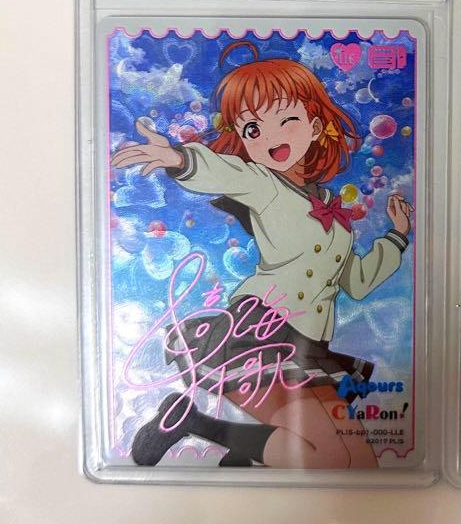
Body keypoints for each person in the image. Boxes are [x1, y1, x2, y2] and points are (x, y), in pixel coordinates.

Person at [111, 42, 413, 468]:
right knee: (335, 460)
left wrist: (397, 237)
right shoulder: (264, 185)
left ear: (315, 126)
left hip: (310, 345)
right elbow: (225, 172)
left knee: (359, 463)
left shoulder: (335, 216)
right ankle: (203, 428)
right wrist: (178, 158)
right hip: (262, 331)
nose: (270, 139)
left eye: (287, 120)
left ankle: (226, 440)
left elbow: (357, 282)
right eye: (253, 129)